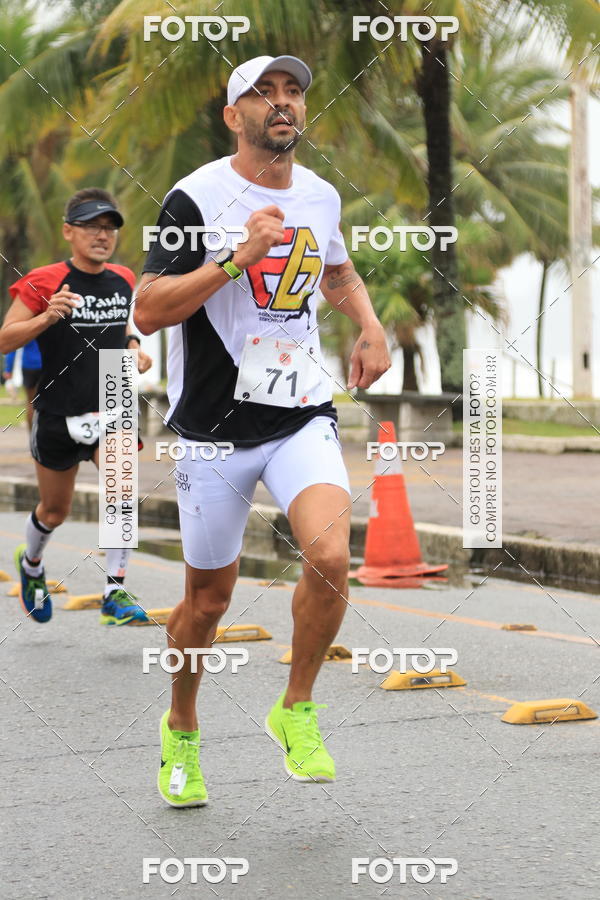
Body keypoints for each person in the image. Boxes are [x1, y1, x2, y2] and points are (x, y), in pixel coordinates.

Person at [135, 55, 391, 807]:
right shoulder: (196, 198)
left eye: (292, 93)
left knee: (330, 557)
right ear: (232, 116)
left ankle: (296, 708)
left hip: (299, 412)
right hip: (214, 429)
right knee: (208, 602)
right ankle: (182, 726)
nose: (282, 104)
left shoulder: (320, 196)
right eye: (262, 94)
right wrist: (233, 258)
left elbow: (335, 270)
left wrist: (370, 325)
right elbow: (148, 308)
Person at [0, 187, 153, 626]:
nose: (102, 235)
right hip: (58, 407)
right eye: (91, 226)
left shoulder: (124, 278)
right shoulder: (43, 281)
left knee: (122, 491)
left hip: (112, 392)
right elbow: (5, 339)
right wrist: (47, 316)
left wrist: (134, 346)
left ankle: (114, 590)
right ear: (69, 232)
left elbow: (123, 326)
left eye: (110, 228)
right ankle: (31, 563)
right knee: (55, 510)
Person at [3, 339, 42, 428]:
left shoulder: (25, 324)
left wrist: (8, 369)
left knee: (30, 402)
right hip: (45, 364)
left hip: (28, 366)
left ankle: (31, 437)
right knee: (48, 401)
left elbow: (13, 346)